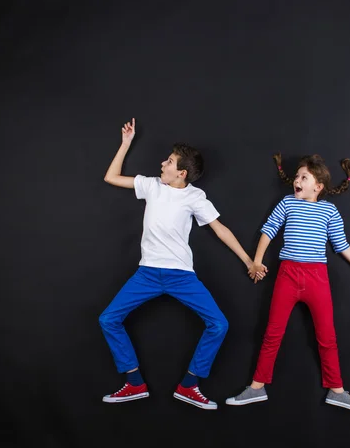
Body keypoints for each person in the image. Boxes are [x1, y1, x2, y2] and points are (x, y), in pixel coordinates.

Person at [99, 118, 267, 410]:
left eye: (169, 161)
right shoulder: (152, 186)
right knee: (108, 319)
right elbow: (111, 177)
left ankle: (189, 386)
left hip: (181, 277)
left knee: (218, 324)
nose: (162, 164)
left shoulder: (194, 196)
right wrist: (125, 143)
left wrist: (250, 261)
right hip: (147, 274)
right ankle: (134, 382)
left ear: (182, 173)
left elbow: (220, 230)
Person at [228, 153, 350, 411]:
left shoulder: (329, 210)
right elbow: (269, 230)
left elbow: (341, 245)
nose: (296, 181)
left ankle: (337, 390)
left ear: (318, 186)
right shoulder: (287, 203)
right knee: (272, 334)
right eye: (296, 177)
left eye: (303, 177)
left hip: (317, 278)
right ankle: (256, 387)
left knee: (327, 337)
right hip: (287, 275)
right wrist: (256, 261)